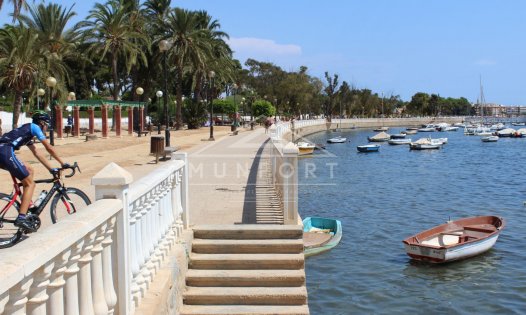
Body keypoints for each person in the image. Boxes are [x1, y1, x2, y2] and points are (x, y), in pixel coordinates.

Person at [0, 111, 68, 232]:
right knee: (30, 184)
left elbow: (37, 153)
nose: (47, 127)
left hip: (3, 152)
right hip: (5, 151)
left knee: (29, 169)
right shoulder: (35, 127)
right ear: (42, 123)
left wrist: (51, 169)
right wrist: (63, 163)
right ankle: (21, 218)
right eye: (46, 124)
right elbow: (49, 148)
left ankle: (28, 204)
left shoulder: (27, 131)